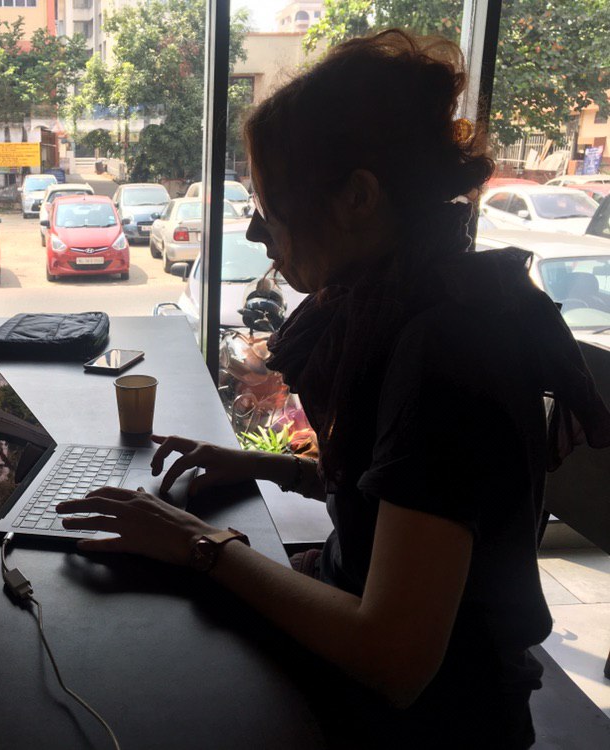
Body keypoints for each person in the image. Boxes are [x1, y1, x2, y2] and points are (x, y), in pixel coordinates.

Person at [56, 29, 610, 747]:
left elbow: (394, 659)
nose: (256, 232)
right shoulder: (404, 304)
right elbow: (401, 499)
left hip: (437, 721)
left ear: (358, 197)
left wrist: (198, 542)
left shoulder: (448, 350)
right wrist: (264, 466)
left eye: (270, 205)